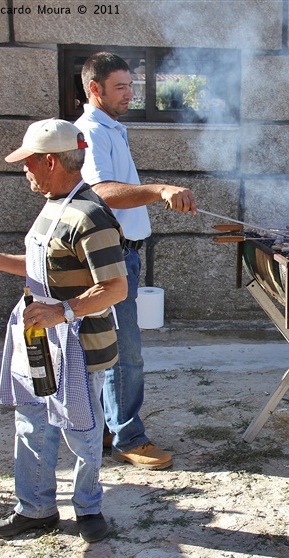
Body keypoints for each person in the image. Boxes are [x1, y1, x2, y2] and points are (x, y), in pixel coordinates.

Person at [0, 119, 128, 542]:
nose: (24, 170)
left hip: (79, 345)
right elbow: (38, 268)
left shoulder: (91, 215)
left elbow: (115, 287)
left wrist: (62, 312)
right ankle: (36, 510)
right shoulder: (55, 203)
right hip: (43, 342)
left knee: (82, 434)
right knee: (32, 423)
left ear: (50, 160)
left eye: (28, 162)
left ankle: (88, 510)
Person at [74, 52, 197, 470]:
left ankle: (112, 426)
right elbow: (100, 191)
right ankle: (129, 437)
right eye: (121, 87)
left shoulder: (111, 127)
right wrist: (160, 189)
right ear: (95, 89)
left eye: (132, 85)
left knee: (116, 349)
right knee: (127, 352)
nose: (130, 94)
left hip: (125, 253)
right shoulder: (91, 129)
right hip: (112, 257)